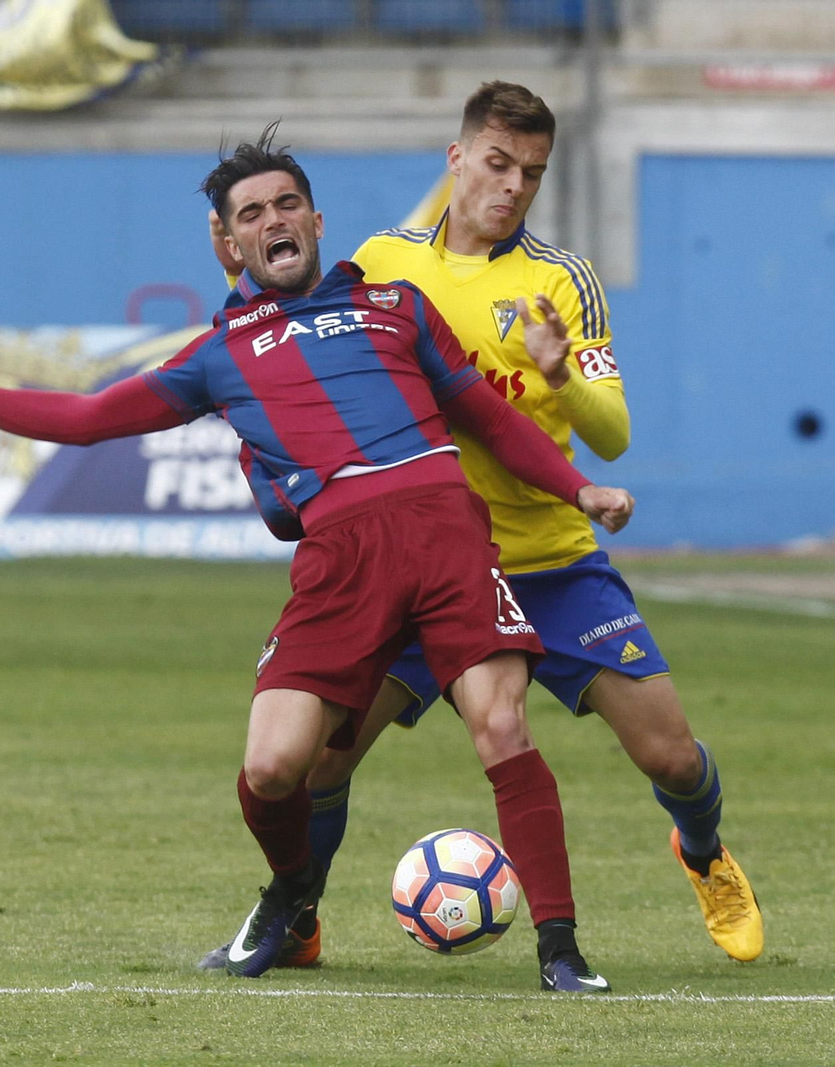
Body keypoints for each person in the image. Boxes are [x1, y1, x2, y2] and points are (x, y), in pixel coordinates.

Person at [0, 129, 634, 993]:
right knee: (271, 767)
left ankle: (561, 948)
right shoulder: (219, 354)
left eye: (288, 203)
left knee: (503, 726)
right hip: (343, 560)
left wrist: (578, 488)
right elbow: (85, 418)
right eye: (254, 213)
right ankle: (295, 893)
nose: (276, 220)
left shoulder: (399, 305)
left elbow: (487, 418)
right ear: (231, 243)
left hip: (446, 529)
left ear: (316, 219)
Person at [199, 81, 763, 975]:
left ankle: (702, 851)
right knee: (321, 764)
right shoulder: (382, 266)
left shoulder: (560, 280)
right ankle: (299, 914)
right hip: (423, 569)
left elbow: (611, 432)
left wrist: (560, 376)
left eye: (531, 175)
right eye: (498, 164)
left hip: (551, 562)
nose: (512, 188)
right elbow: (289, 350)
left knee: (673, 755)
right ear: (456, 159)